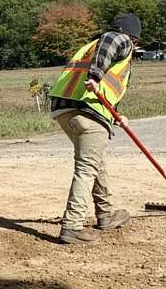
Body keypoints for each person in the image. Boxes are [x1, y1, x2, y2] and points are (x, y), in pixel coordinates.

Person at [48, 14, 140, 245]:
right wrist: (96, 76)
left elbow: (109, 85)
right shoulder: (120, 39)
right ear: (134, 38)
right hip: (88, 111)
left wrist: (116, 115)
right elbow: (112, 42)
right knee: (87, 167)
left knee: (95, 161)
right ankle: (72, 226)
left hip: (65, 108)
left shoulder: (89, 47)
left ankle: (106, 213)